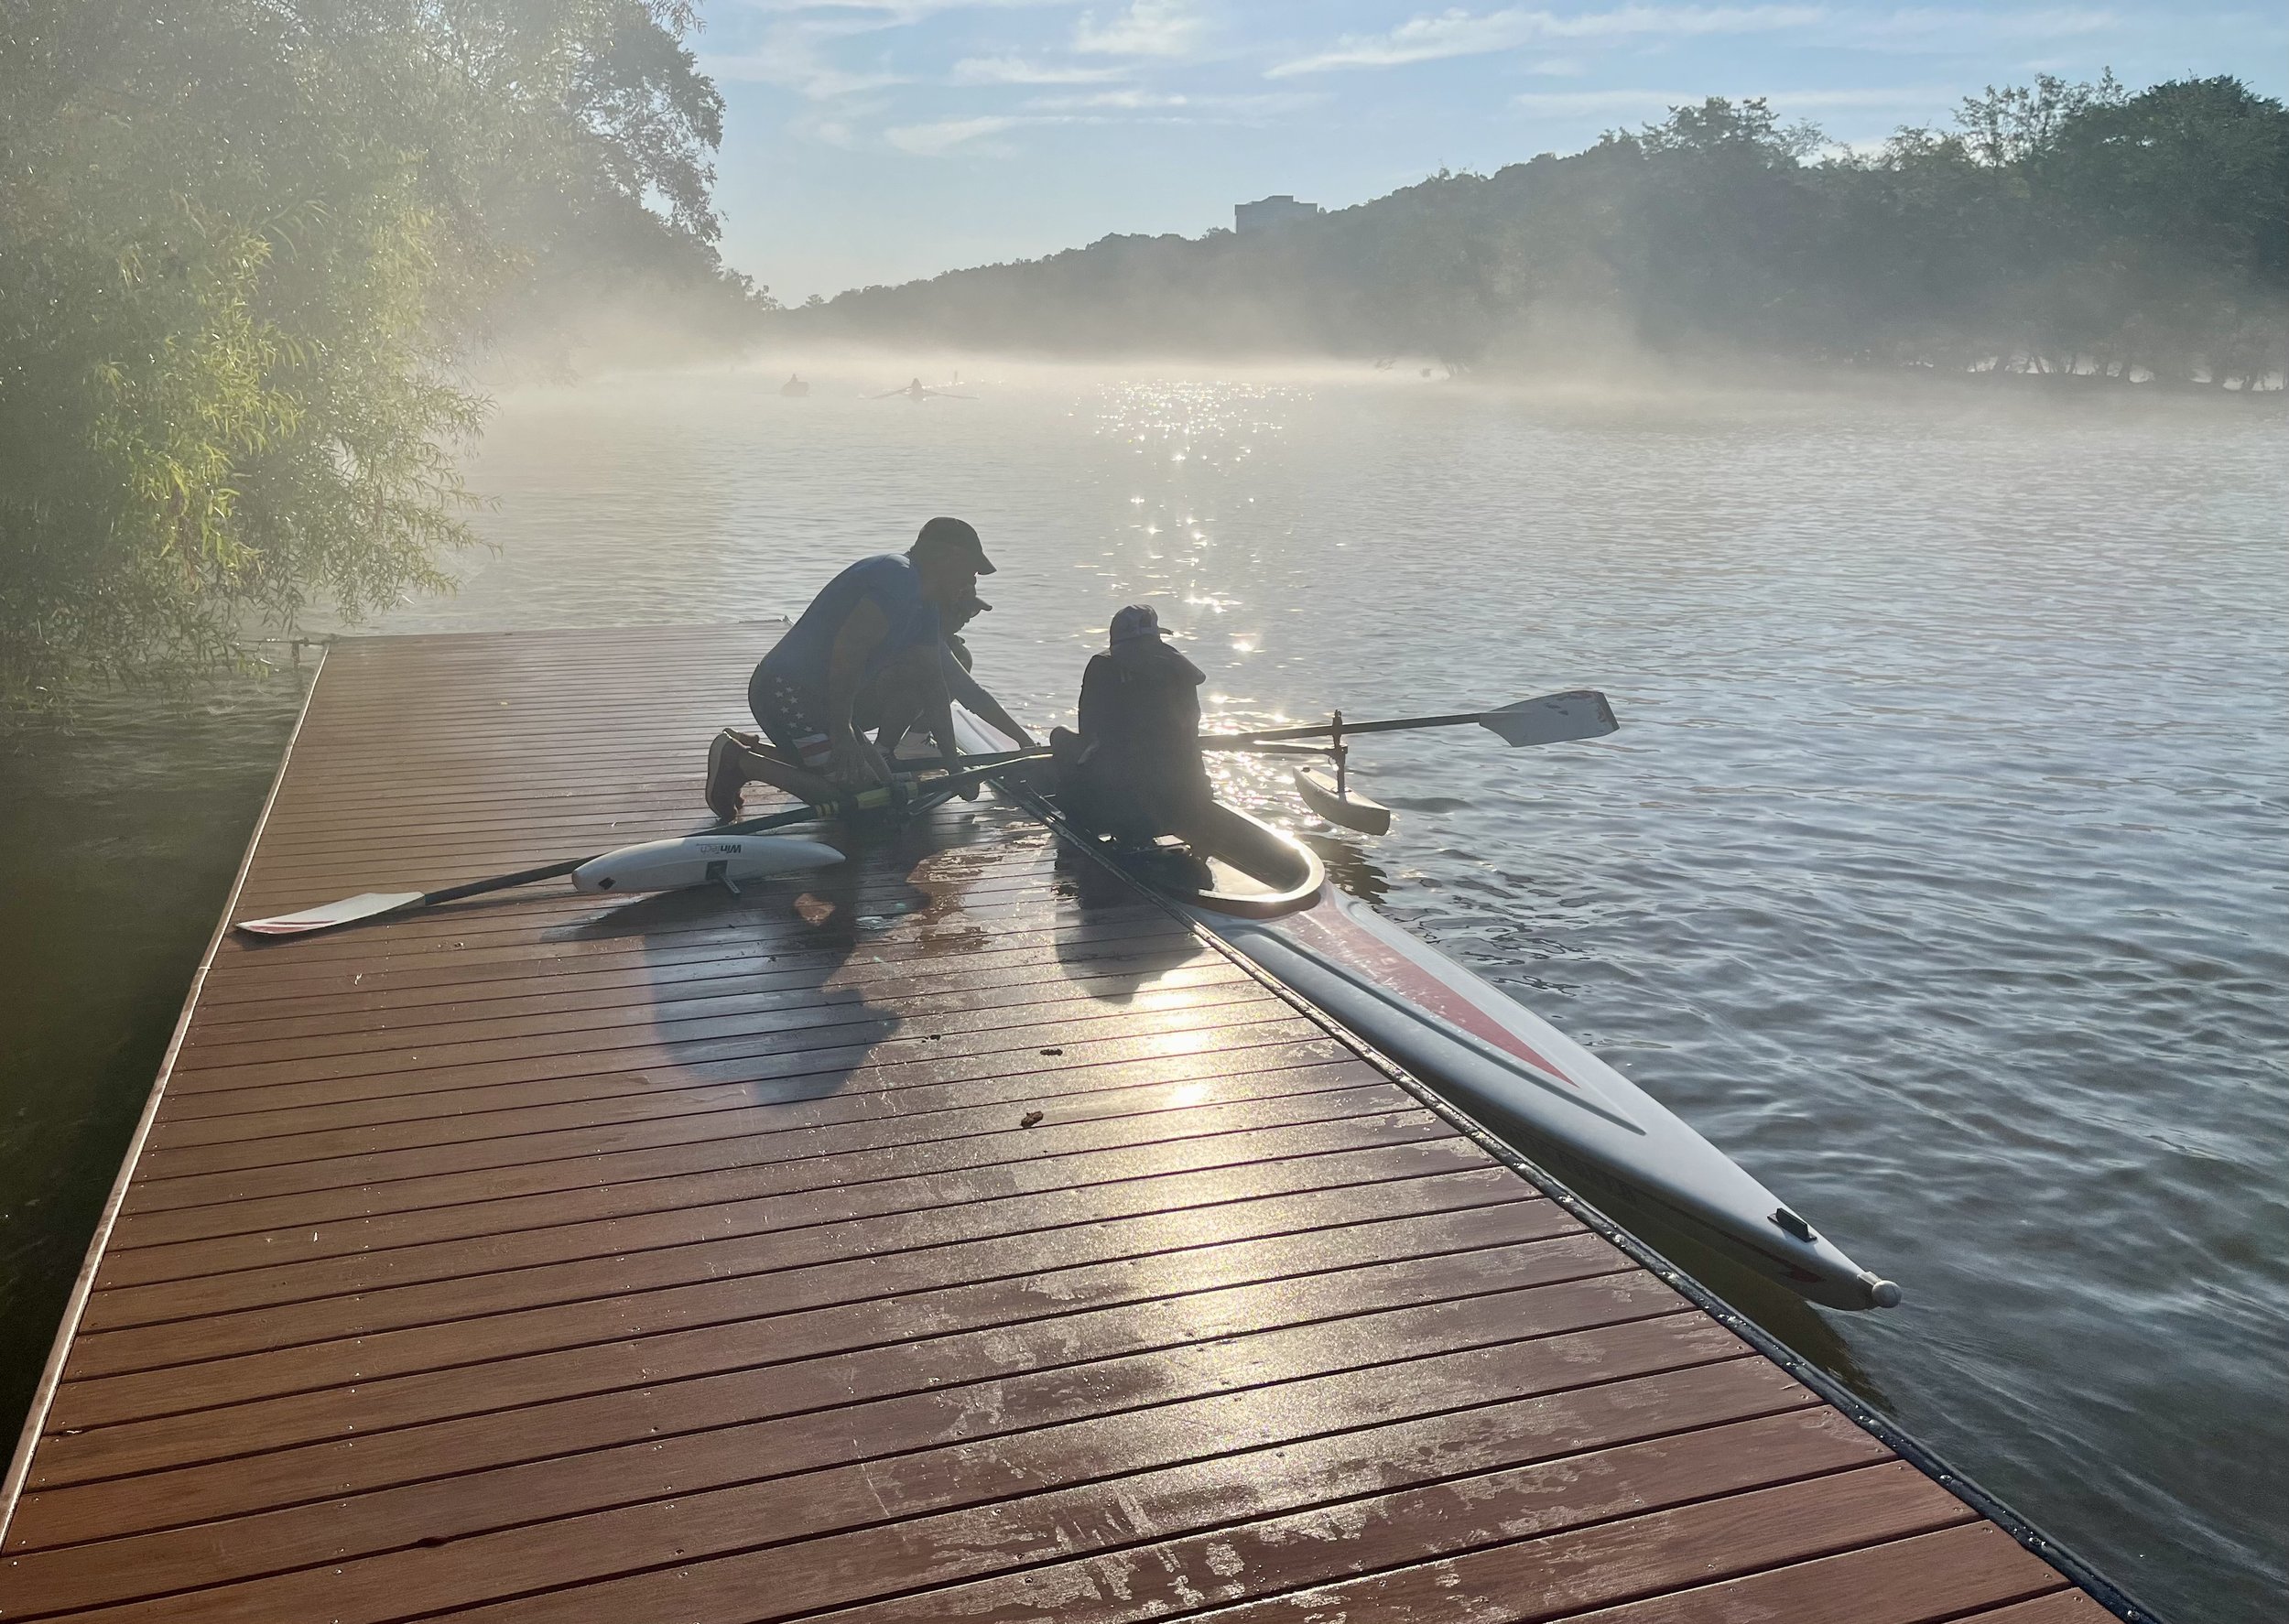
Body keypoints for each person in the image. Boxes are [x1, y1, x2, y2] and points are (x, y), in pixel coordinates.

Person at [705, 517, 1014, 820]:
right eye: (971, 571)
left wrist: (953, 767)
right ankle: (741, 761)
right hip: (788, 691)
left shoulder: (925, 605)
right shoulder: (898, 575)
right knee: (861, 800)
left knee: (883, 789)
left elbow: (935, 687)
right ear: (946, 559)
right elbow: (849, 650)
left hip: (822, 700)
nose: (973, 582)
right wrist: (843, 733)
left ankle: (749, 751)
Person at [1054, 603, 1212, 844]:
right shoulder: (1180, 669)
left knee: (1059, 737)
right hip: (1189, 800)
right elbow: (1191, 726)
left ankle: (1081, 820)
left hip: (1125, 808)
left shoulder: (1102, 666)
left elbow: (1088, 729)